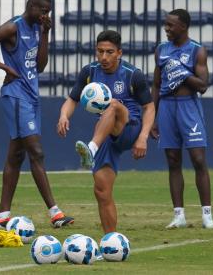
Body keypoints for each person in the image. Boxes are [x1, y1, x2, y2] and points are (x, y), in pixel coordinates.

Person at [0, 0, 74, 229]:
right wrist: (5, 68)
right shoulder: (12, 28)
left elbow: (40, 66)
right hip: (16, 96)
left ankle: (1, 217)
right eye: (42, 11)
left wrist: (46, 33)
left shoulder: (38, 29)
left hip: (31, 96)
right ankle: (55, 213)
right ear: (31, 6)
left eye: (48, 12)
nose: (45, 15)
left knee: (16, 155)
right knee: (36, 152)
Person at [57, 30, 155, 233]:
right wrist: (64, 116)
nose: (104, 57)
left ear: (119, 53)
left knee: (113, 105)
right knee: (102, 191)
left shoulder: (132, 74)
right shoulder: (89, 72)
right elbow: (73, 99)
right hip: (106, 136)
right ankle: (110, 241)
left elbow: (149, 107)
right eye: (100, 51)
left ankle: (91, 150)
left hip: (129, 126)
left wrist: (143, 137)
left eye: (109, 52)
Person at [151, 9, 213, 229]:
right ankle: (178, 215)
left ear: (183, 27)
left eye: (171, 25)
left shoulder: (197, 50)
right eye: (166, 25)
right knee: (172, 160)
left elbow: (203, 85)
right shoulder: (161, 50)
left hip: (188, 106)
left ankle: (207, 215)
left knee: (198, 159)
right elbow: (157, 84)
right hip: (167, 106)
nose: (166, 29)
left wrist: (182, 73)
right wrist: (152, 117)